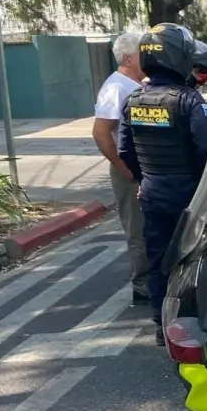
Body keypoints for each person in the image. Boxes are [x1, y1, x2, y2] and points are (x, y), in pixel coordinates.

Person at [119, 23, 207, 346]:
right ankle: (199, 318)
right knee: (197, 256)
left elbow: (124, 151)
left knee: (158, 258)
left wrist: (143, 178)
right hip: (190, 195)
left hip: (152, 193)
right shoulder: (189, 101)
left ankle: (162, 326)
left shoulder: (133, 100)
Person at [92, 32, 149, 305]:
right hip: (129, 171)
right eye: (142, 53)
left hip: (147, 168)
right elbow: (102, 132)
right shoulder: (116, 88)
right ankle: (143, 286)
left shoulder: (137, 84)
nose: (147, 58)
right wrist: (121, 166)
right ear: (128, 58)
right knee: (138, 229)